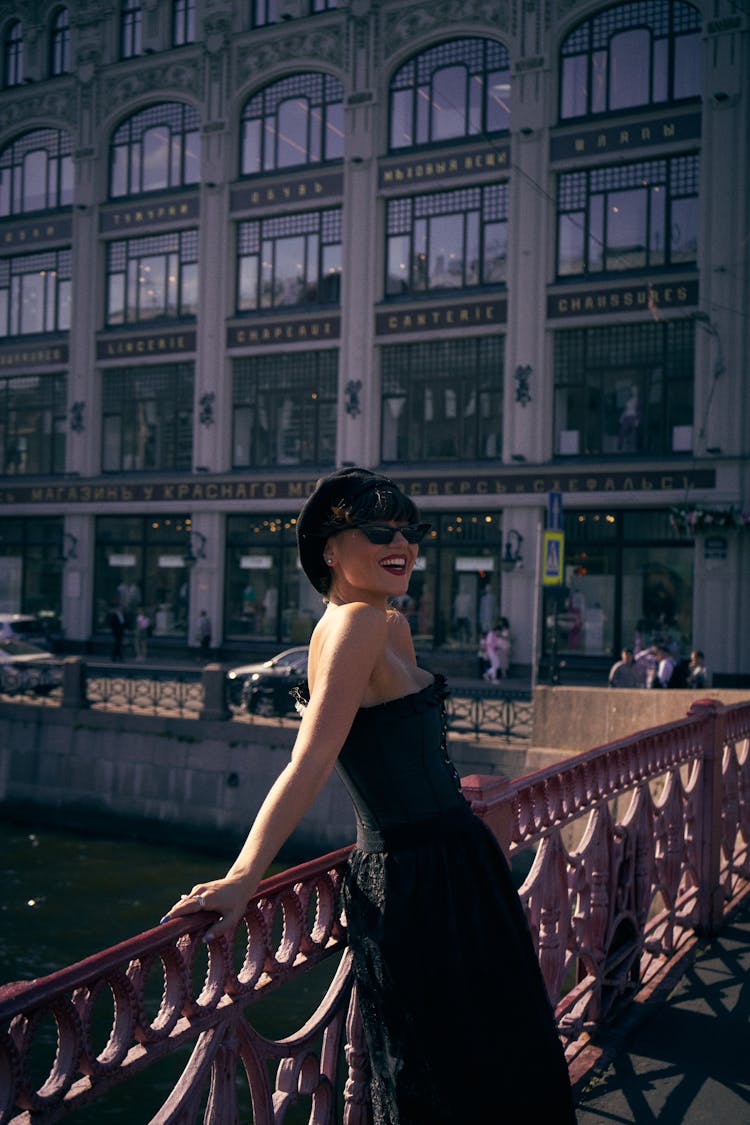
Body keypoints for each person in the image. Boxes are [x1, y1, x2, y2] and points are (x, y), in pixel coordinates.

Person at [161, 467, 575, 1123]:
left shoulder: (381, 623)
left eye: (411, 530)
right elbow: (311, 759)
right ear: (329, 547)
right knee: (463, 1070)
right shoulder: (355, 623)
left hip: (449, 869)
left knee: (471, 1060)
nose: (402, 542)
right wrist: (244, 876)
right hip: (421, 881)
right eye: (380, 528)